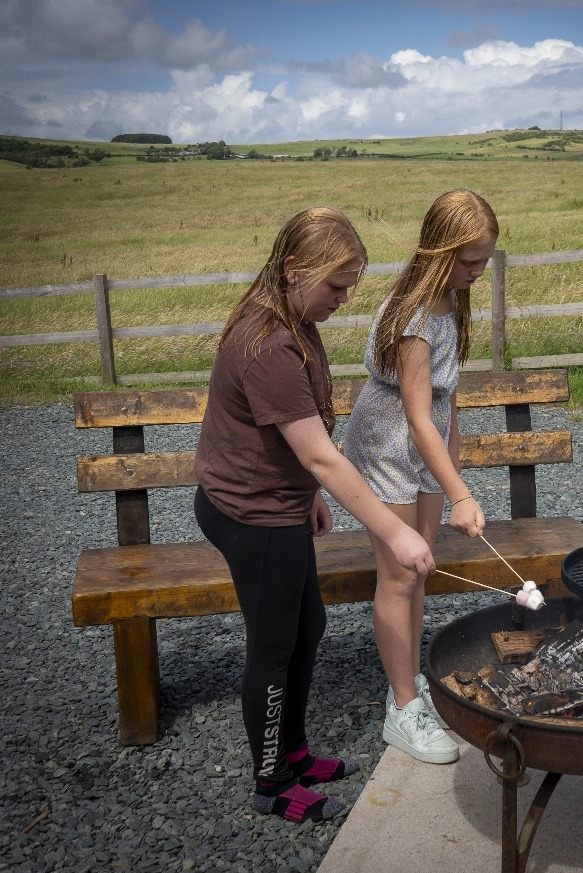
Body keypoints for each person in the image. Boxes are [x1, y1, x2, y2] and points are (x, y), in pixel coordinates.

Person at [193, 207, 436, 826]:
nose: (345, 298)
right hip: (252, 517)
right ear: (296, 269)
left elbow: (291, 440)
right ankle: (271, 783)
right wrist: (395, 528)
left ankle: (295, 753)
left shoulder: (293, 320)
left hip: (278, 504)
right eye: (337, 284)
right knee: (274, 648)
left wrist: (306, 493)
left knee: (309, 627)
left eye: (352, 284)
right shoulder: (269, 344)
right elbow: (322, 457)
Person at [344, 189, 498, 764]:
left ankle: (404, 685)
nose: (478, 272)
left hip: (426, 446)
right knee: (399, 575)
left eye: (485, 261)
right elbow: (413, 411)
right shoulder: (412, 315)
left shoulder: (450, 299)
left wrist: (452, 474)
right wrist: (460, 492)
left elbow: (445, 400)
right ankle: (404, 710)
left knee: (420, 567)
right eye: (469, 261)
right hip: (388, 445)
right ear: (438, 250)